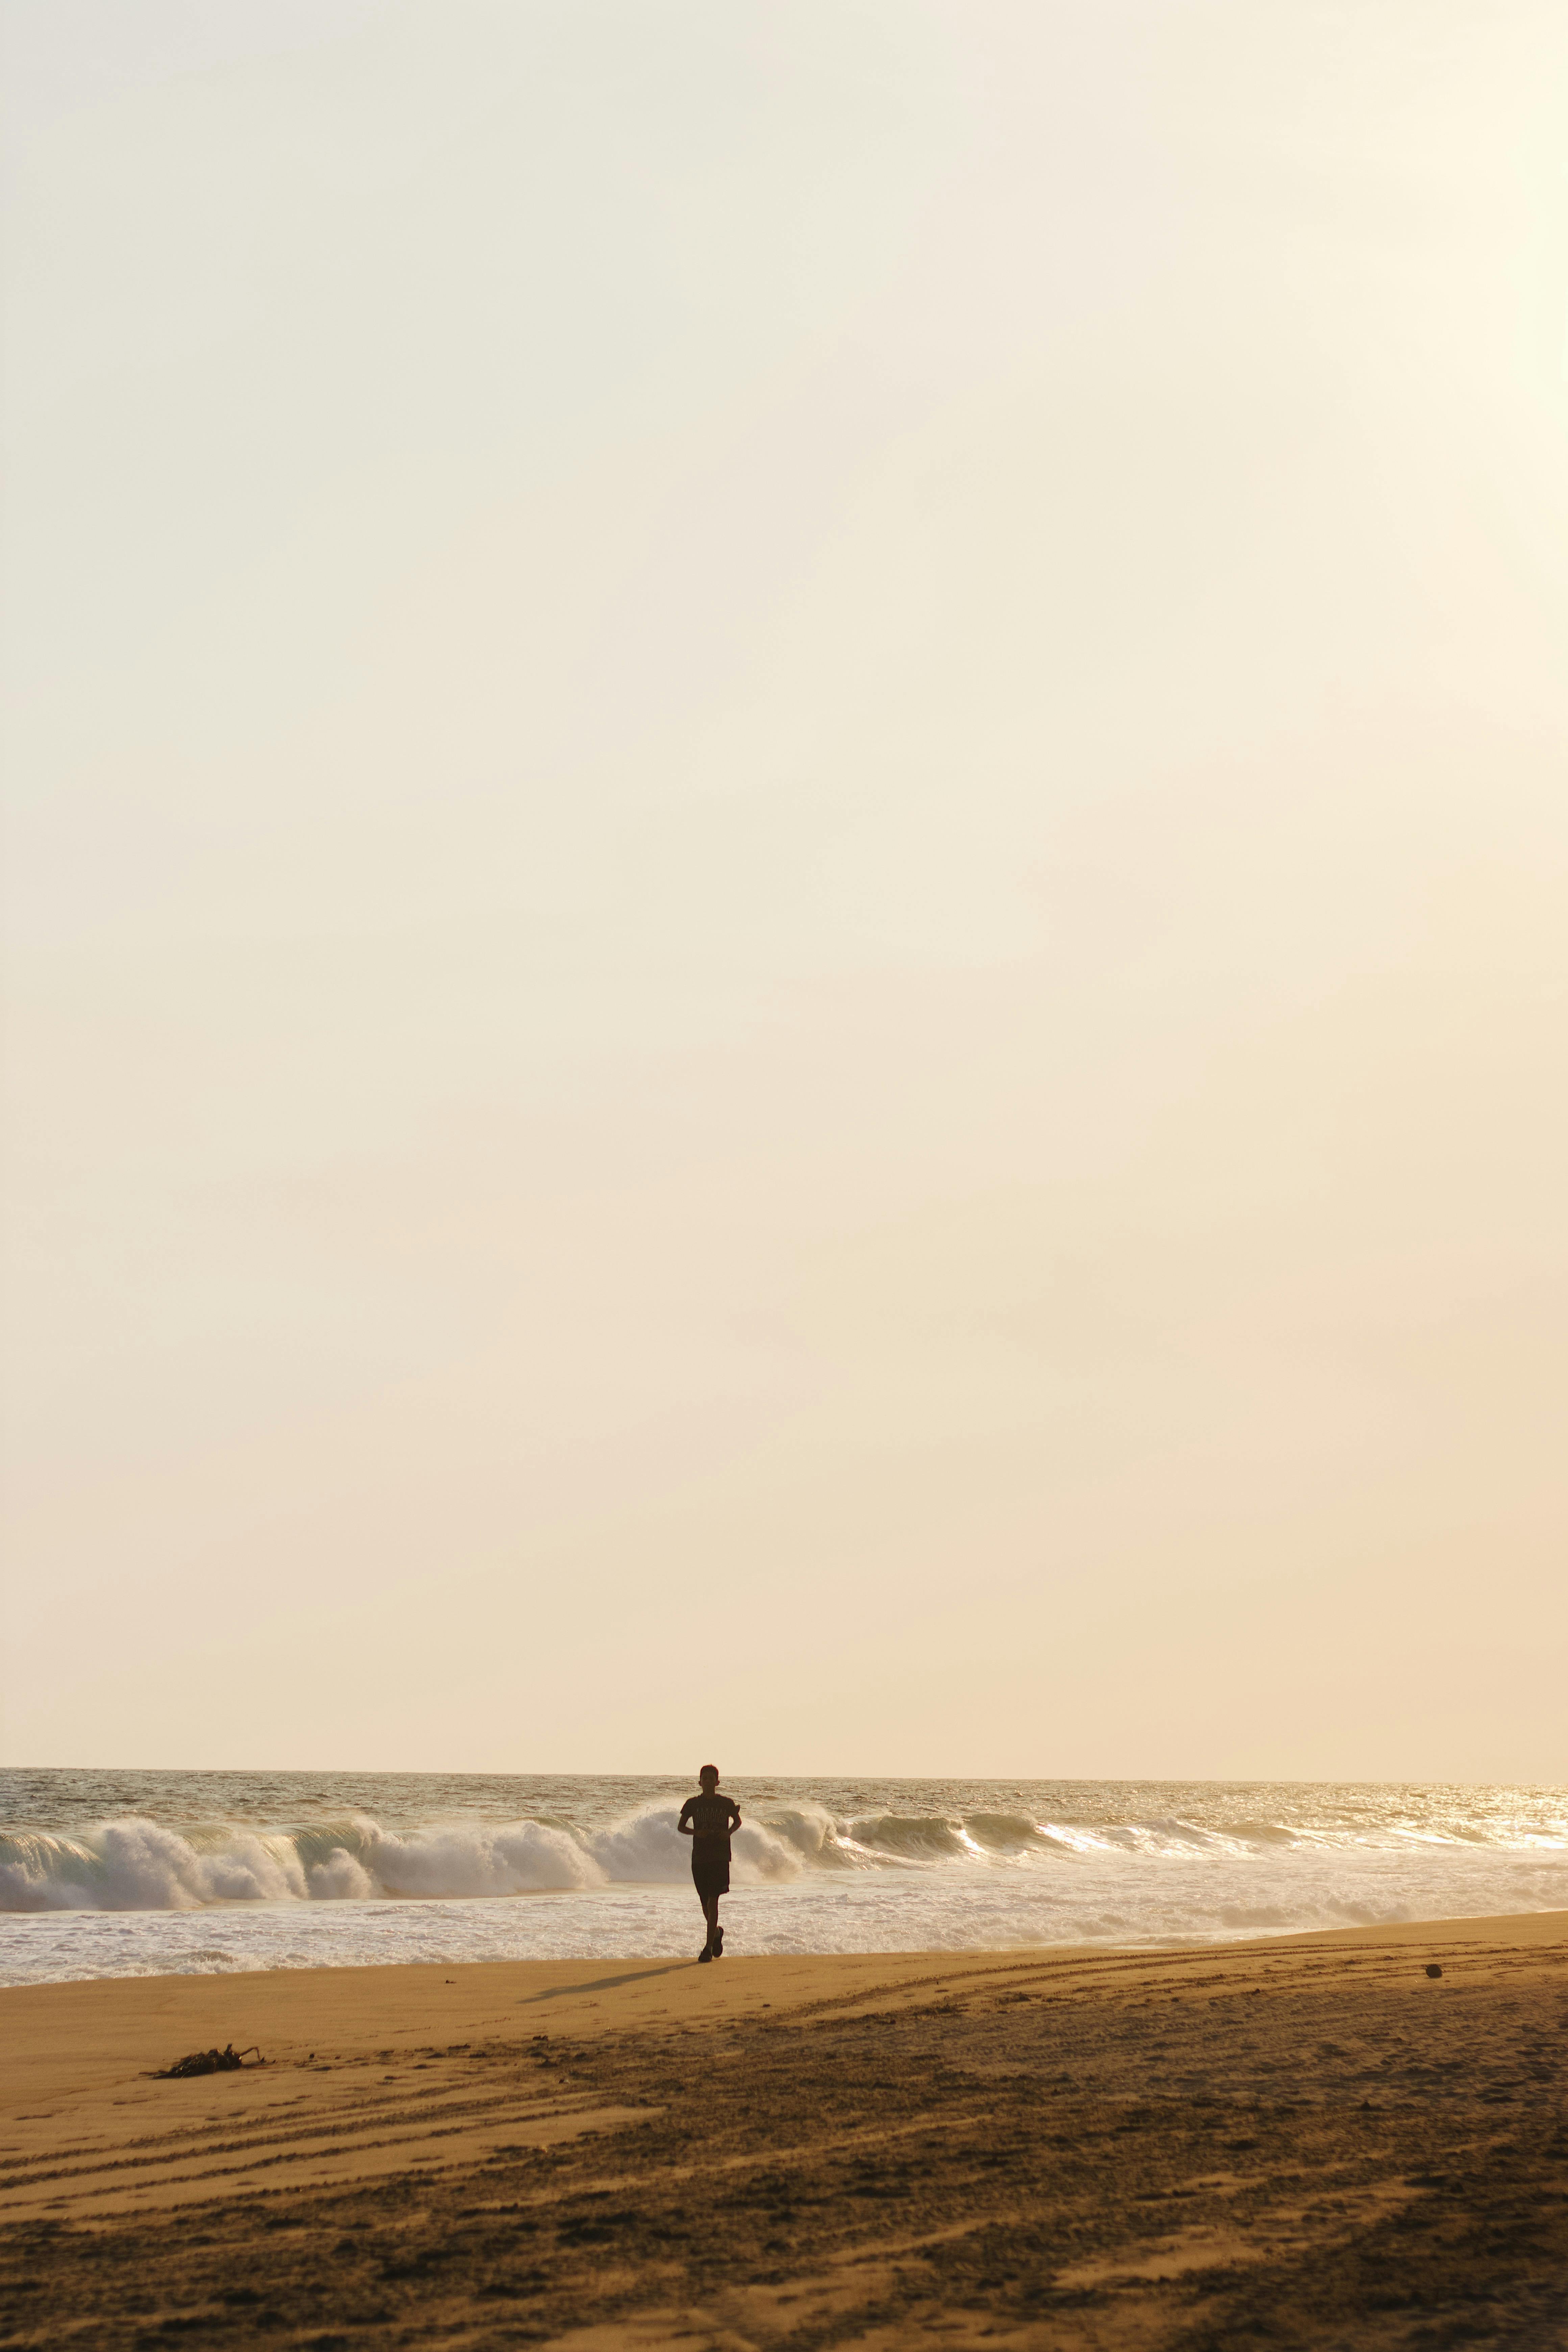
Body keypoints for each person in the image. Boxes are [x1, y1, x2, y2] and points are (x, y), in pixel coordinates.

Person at [677, 1765, 741, 1961]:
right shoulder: (692, 1804)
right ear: (700, 1782)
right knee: (705, 1901)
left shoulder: (726, 1803)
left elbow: (737, 1822)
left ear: (717, 1782)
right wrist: (697, 1833)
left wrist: (728, 1833)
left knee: (713, 1899)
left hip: (720, 1857)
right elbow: (681, 1827)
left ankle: (707, 1948)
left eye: (711, 1779)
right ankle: (716, 1934)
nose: (707, 1782)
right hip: (700, 1858)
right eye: (704, 1779)